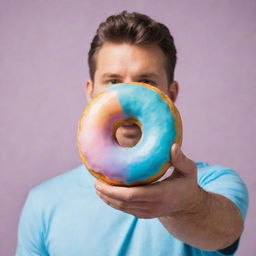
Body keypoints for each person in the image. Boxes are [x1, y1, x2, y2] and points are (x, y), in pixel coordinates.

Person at [16, 11, 248, 256]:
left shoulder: (213, 184)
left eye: (146, 81)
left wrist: (186, 204)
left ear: (171, 94)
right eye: (113, 82)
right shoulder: (43, 202)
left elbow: (225, 232)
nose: (128, 97)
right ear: (90, 92)